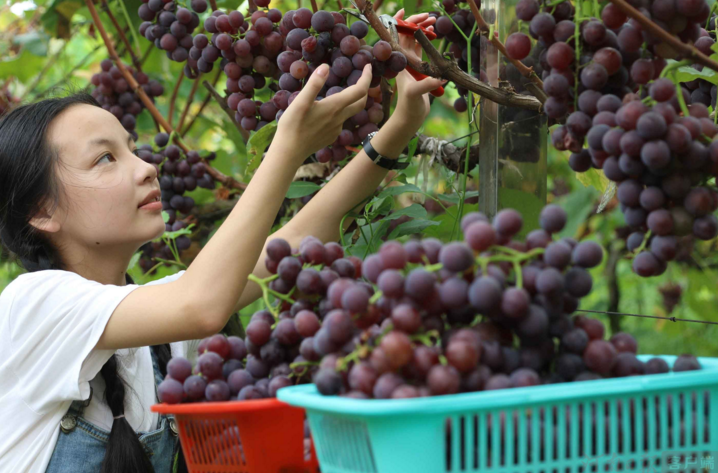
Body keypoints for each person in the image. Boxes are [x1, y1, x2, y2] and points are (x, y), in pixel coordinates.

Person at [0, 11, 442, 473]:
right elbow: (204, 304)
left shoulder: (158, 334)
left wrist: (401, 122)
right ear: (42, 212)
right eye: (106, 158)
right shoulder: (32, 306)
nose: (146, 167)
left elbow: (293, 241)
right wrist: (286, 148)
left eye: (132, 147)